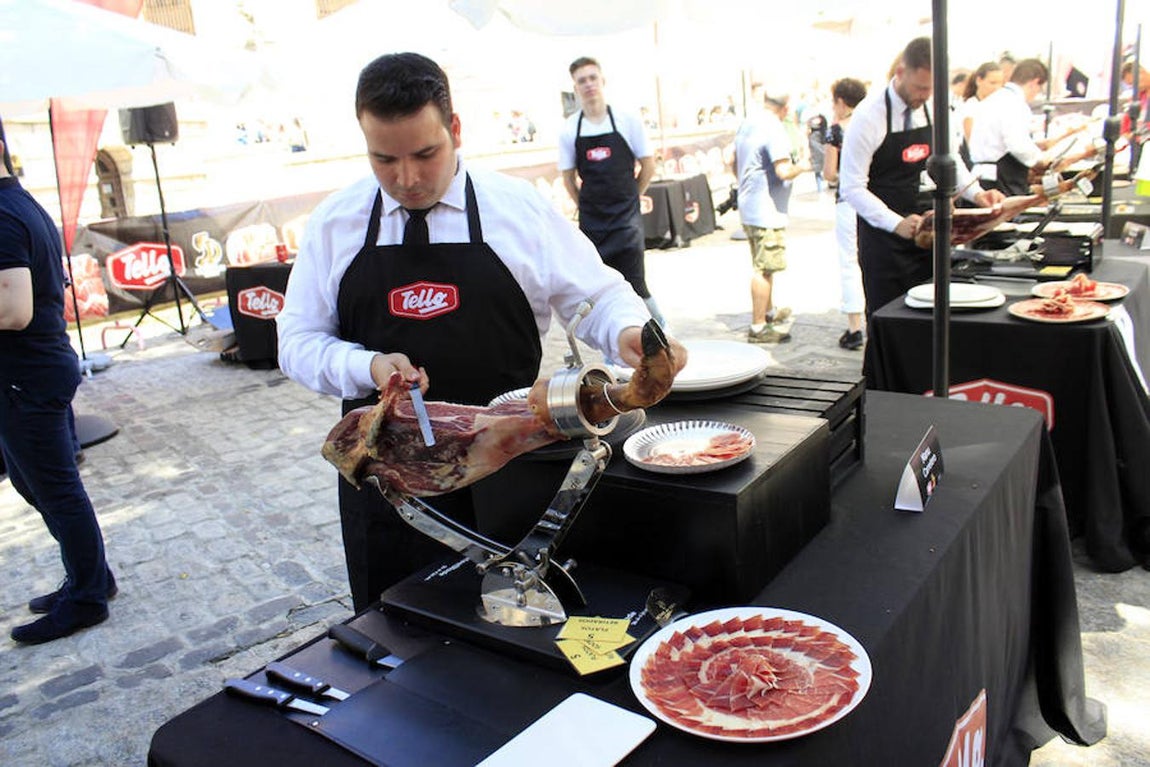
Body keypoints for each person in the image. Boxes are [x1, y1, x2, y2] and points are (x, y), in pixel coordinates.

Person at [276, 53, 688, 613]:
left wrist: (628, 331)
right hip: (391, 487)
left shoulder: (514, 209)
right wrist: (366, 367)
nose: (407, 178)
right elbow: (295, 341)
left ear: (456, 130)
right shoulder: (335, 222)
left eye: (426, 153)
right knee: (399, 633)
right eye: (383, 159)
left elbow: (597, 295)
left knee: (521, 633)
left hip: (513, 473)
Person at [0, 136, 115, 644]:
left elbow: (14, 309)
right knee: (36, 485)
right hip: (31, 373)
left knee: (55, 489)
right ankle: (93, 577)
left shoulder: (3, 215)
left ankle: (88, 597)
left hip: (26, 376)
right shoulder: (16, 202)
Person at [839, 37, 1002, 368]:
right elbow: (852, 187)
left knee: (929, 322)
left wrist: (976, 192)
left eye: (930, 89)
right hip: (884, 240)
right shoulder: (869, 116)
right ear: (901, 72)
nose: (923, 96)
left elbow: (950, 159)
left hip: (926, 232)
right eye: (919, 87)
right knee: (888, 323)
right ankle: (886, 395)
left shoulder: (934, 107)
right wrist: (896, 223)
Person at [558, 56, 666, 328]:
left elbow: (648, 165)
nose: (589, 85)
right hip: (593, 223)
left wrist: (633, 195)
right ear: (576, 87)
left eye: (593, 78)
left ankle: (662, 333)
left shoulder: (628, 121)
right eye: (582, 80)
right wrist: (583, 205)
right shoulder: (570, 129)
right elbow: (568, 177)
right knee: (600, 289)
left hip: (626, 222)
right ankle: (614, 349)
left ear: (602, 81)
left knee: (636, 284)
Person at [733, 93, 811, 344]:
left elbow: (730, 160)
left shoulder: (749, 121)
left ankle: (768, 312)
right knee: (764, 268)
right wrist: (805, 165)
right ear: (786, 107)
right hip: (766, 208)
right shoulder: (773, 127)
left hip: (749, 203)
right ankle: (758, 327)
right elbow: (784, 170)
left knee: (763, 263)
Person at [822, 78, 868, 351]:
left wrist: (849, 176)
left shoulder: (837, 130)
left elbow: (829, 173)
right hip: (876, 201)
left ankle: (854, 328)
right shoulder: (872, 123)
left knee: (849, 262)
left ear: (840, 101)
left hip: (848, 200)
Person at [968, 58, 1053, 196]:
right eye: (1039, 89)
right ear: (1035, 82)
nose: (1036, 94)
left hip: (982, 177)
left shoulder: (992, 100)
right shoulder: (1015, 104)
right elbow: (1018, 145)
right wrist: (1040, 160)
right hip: (1002, 182)